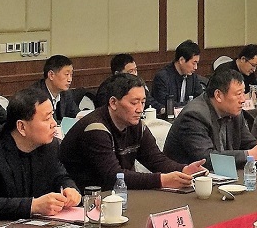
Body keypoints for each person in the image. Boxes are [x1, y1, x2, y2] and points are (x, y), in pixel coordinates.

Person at [59, 73, 205, 190]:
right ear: (113, 103)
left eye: (143, 102)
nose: (140, 109)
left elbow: (156, 160)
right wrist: (162, 180)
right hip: (83, 196)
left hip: (115, 194)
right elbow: (113, 176)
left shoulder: (136, 125)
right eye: (134, 103)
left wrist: (184, 169)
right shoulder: (95, 128)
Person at [0, 87, 82, 221]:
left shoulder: (50, 146)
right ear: (21, 127)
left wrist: (70, 189)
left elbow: (60, 176)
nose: (54, 124)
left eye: (52, 115)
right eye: (47, 119)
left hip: (34, 226)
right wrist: (32, 206)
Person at [164, 69, 257, 169]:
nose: (243, 100)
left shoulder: (234, 112)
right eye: (238, 94)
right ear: (218, 95)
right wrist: (250, 154)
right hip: (189, 180)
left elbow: (247, 143)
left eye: (243, 93)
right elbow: (206, 159)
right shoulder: (194, 116)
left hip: (223, 176)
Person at [151, 40, 205, 114]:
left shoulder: (192, 77)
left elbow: (201, 99)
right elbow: (165, 105)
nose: (195, 67)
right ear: (181, 60)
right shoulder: (162, 77)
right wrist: (189, 104)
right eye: (193, 63)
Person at [28, 55, 79, 122]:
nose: (70, 79)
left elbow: (75, 114)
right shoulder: (36, 96)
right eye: (66, 74)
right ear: (51, 75)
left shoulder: (66, 93)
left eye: (71, 75)